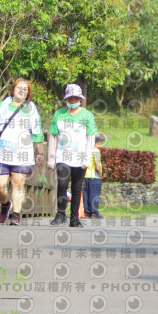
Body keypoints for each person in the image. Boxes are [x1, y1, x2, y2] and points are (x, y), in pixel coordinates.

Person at [0, 78, 44, 226]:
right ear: (13, 89)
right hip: (2, 152)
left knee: (18, 183)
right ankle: (5, 204)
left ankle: (16, 215)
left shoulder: (31, 109)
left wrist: (40, 153)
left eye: (25, 89)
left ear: (28, 94)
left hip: (23, 153)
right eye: (19, 88)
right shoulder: (1, 106)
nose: (22, 90)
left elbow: (37, 132)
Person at [47, 83, 98, 228]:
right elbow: (53, 137)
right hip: (62, 156)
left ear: (80, 99)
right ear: (66, 98)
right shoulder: (59, 114)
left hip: (80, 157)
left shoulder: (88, 116)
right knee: (62, 185)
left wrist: (86, 159)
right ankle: (60, 214)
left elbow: (90, 139)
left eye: (76, 98)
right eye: (71, 98)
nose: (73, 100)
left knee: (76, 188)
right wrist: (51, 160)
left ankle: (74, 218)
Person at [83, 136, 104, 219]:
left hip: (85, 176)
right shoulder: (96, 151)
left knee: (86, 194)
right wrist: (100, 174)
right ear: (95, 143)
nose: (101, 145)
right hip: (94, 176)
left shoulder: (85, 151)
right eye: (100, 143)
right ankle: (94, 212)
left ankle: (86, 212)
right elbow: (97, 164)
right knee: (94, 194)